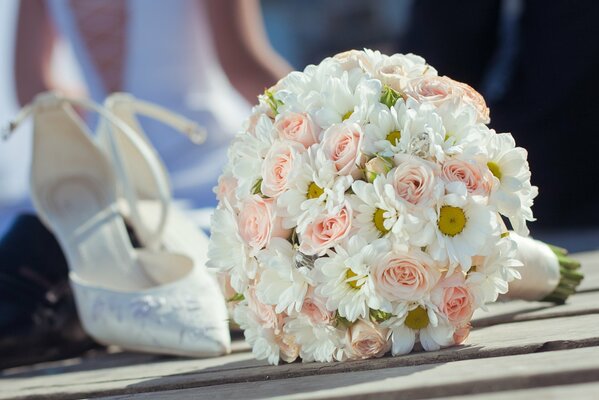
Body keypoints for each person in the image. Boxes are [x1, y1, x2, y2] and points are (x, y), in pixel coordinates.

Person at [0, 0, 291, 367]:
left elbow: (35, 89)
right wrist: (331, 113)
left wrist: (104, 120)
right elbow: (244, 67)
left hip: (115, 182)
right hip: (215, 170)